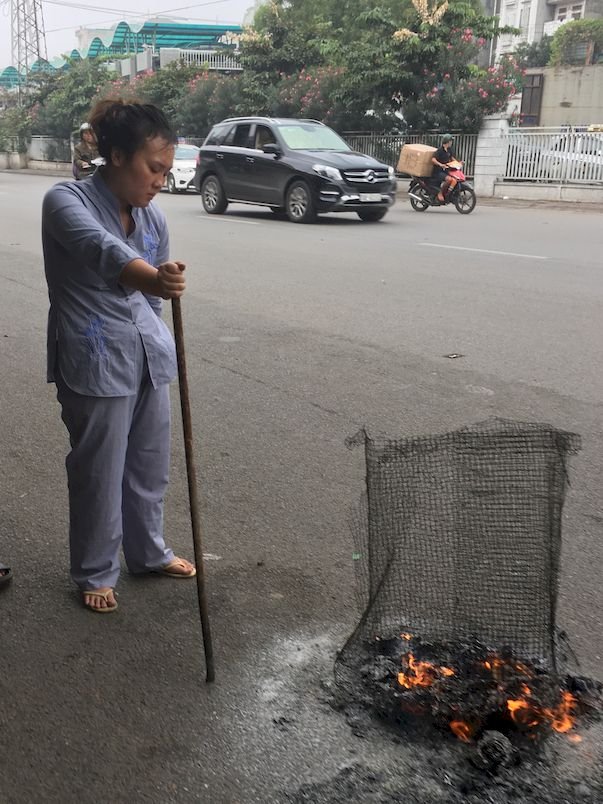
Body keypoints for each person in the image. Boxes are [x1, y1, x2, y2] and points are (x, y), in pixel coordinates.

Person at [42, 100, 196, 613]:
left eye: (167, 172)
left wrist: (158, 297)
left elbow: (152, 301)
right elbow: (102, 252)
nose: (160, 181)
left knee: (149, 464)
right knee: (99, 469)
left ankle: (148, 552)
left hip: (148, 354)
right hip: (95, 356)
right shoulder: (65, 201)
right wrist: (155, 277)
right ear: (114, 155)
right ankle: (94, 570)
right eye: (154, 169)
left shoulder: (153, 219)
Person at [431, 133, 459, 203]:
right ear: (447, 141)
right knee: (449, 180)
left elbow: (451, 158)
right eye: (451, 141)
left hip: (446, 171)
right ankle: (440, 193)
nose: (451, 142)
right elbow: (433, 159)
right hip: (438, 172)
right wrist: (440, 164)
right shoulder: (440, 150)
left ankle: (447, 194)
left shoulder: (449, 150)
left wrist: (458, 163)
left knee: (455, 179)